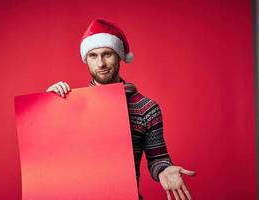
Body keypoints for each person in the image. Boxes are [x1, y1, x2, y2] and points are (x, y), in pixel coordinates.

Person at [46, 18, 196, 200]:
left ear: (119, 56)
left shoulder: (146, 108)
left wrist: (165, 169)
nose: (100, 63)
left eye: (107, 54)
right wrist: (48, 107)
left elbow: (158, 158)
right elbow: (51, 158)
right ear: (86, 59)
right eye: (93, 56)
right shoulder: (68, 105)